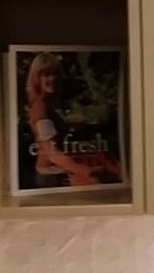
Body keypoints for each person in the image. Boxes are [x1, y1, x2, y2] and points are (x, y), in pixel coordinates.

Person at [24, 52, 103, 188]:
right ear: (37, 78)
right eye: (47, 74)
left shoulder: (49, 105)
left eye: (55, 74)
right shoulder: (40, 107)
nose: (53, 78)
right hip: (50, 177)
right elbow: (52, 153)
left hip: (59, 172)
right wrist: (85, 172)